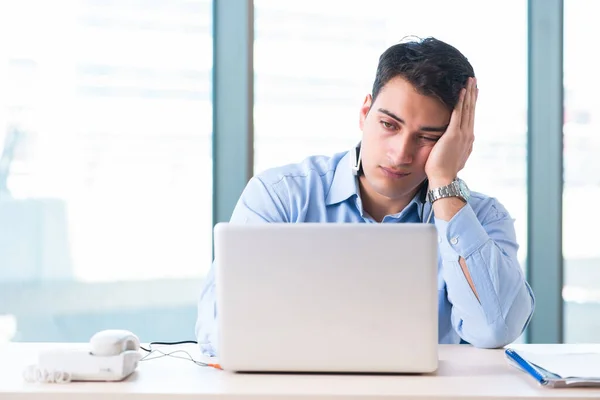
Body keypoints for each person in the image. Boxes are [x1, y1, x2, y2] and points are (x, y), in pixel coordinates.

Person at [195, 37, 535, 356]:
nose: (400, 153)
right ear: (364, 113)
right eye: (389, 125)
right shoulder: (281, 195)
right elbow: (217, 328)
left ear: (455, 141)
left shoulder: (483, 218)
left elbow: (496, 329)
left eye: (428, 138)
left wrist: (444, 182)